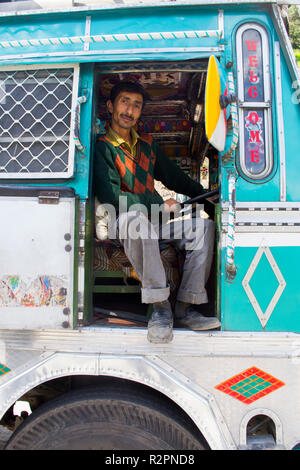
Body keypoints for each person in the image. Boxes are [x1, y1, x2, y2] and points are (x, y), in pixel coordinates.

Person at [94, 80, 220, 343]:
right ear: (111, 106)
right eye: (124, 102)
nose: (129, 110)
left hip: (153, 220)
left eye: (136, 105)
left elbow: (178, 180)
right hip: (121, 222)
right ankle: (161, 307)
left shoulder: (148, 146)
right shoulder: (102, 146)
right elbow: (112, 198)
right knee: (134, 220)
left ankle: (187, 306)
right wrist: (160, 206)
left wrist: (210, 202)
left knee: (203, 227)